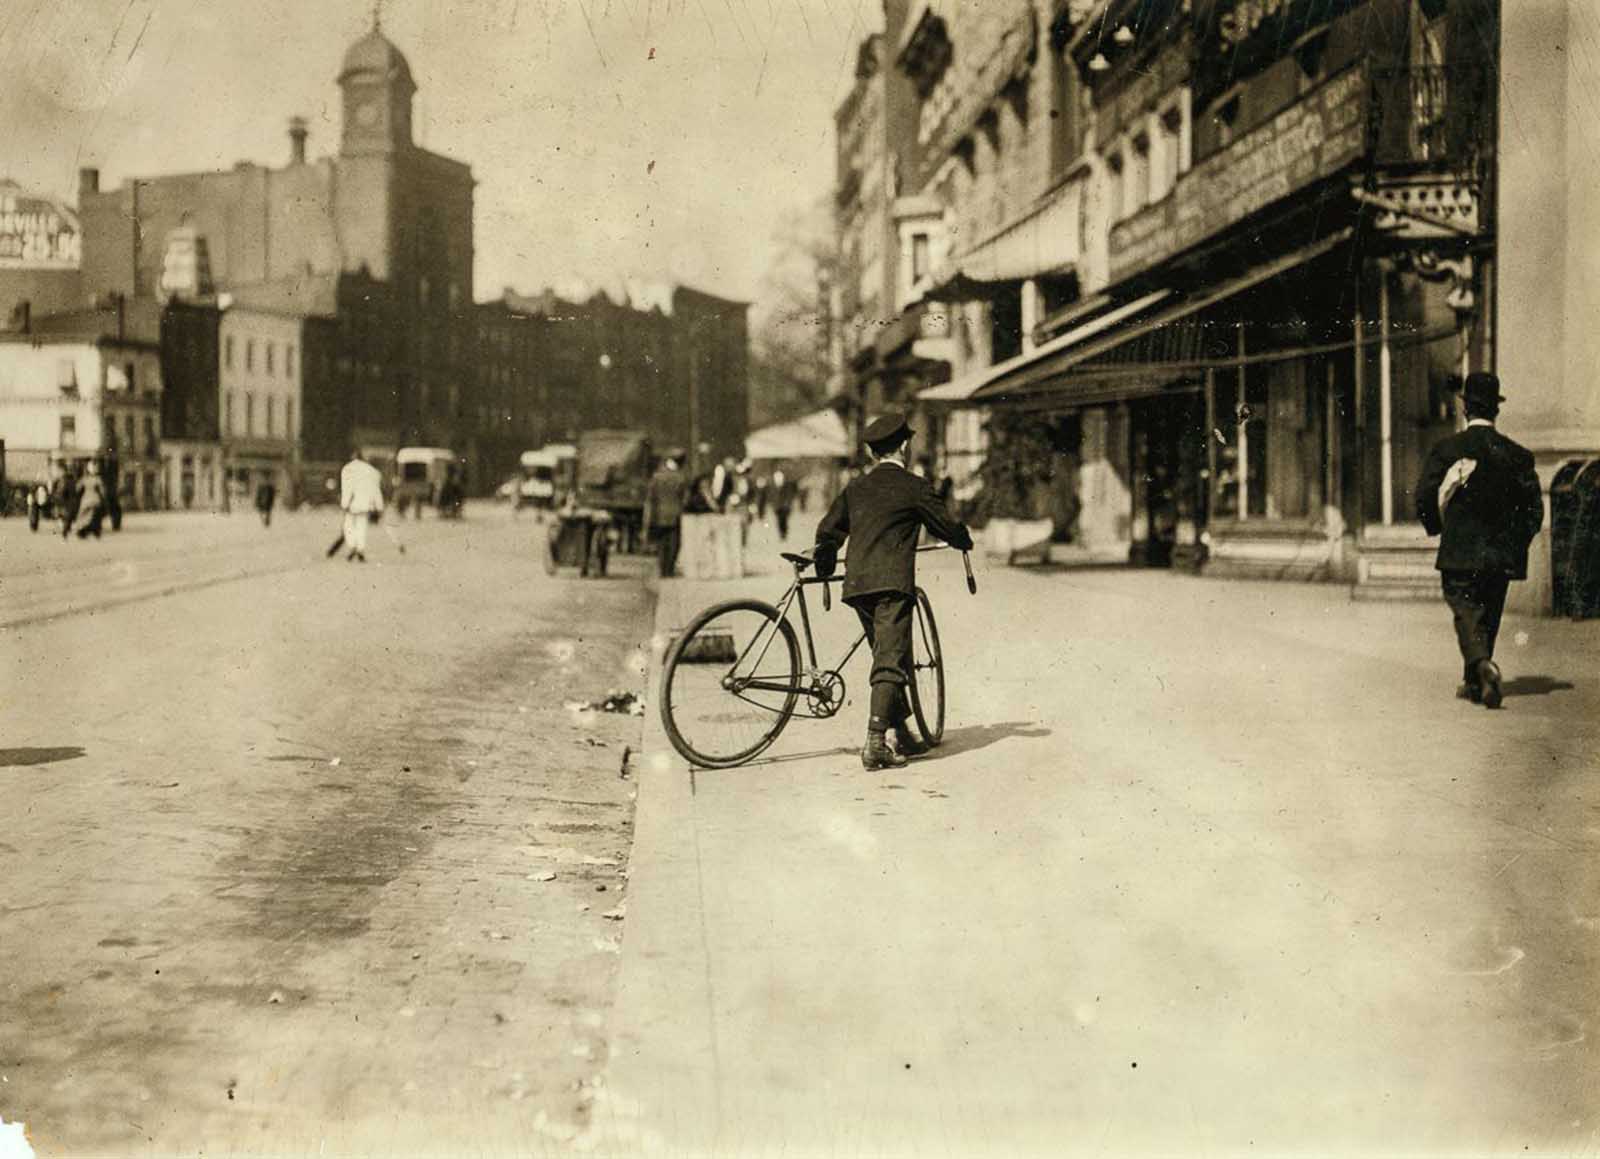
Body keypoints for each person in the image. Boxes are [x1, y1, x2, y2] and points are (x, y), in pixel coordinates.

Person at [813, 414, 973, 770]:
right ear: (904, 446)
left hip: (856, 586)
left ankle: (902, 732)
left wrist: (824, 567)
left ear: (871, 452)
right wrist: (963, 539)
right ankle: (875, 741)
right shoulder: (914, 487)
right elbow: (945, 525)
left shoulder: (855, 488)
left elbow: (827, 532)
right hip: (891, 586)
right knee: (889, 658)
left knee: (889, 651)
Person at [1415, 372, 1544, 709]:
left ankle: (1483, 667)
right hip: (1501, 554)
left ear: (1465, 408)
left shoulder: (1448, 449)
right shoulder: (1518, 456)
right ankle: (1476, 681)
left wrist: (1438, 527)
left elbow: (1425, 493)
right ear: (1496, 410)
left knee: (1466, 611)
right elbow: (1534, 510)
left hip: (1459, 551)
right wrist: (1516, 543)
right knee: (1488, 615)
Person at [329, 449, 385, 562]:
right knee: (361, 527)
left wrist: (344, 503)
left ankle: (353, 546)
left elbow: (347, 488)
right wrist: (379, 506)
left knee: (348, 526)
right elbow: (375, 490)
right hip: (366, 504)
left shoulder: (347, 469)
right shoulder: (372, 471)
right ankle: (360, 549)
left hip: (352, 504)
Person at [644, 453, 688, 577]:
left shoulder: (657, 476)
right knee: (674, 543)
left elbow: (651, 497)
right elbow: (684, 499)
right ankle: (669, 569)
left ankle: (663, 570)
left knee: (662, 543)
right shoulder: (680, 477)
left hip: (659, 514)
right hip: (675, 515)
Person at [74, 461, 107, 540]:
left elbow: (77, 488)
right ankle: (94, 531)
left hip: (86, 500)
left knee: (83, 515)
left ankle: (83, 531)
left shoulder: (85, 479)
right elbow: (103, 491)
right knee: (95, 517)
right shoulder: (98, 479)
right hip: (95, 500)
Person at [772, 469, 799, 542]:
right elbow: (772, 496)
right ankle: (781, 534)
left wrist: (787, 504)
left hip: (785, 507)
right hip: (777, 506)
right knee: (779, 521)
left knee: (784, 520)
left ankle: (784, 534)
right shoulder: (774, 487)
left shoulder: (786, 486)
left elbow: (789, 495)